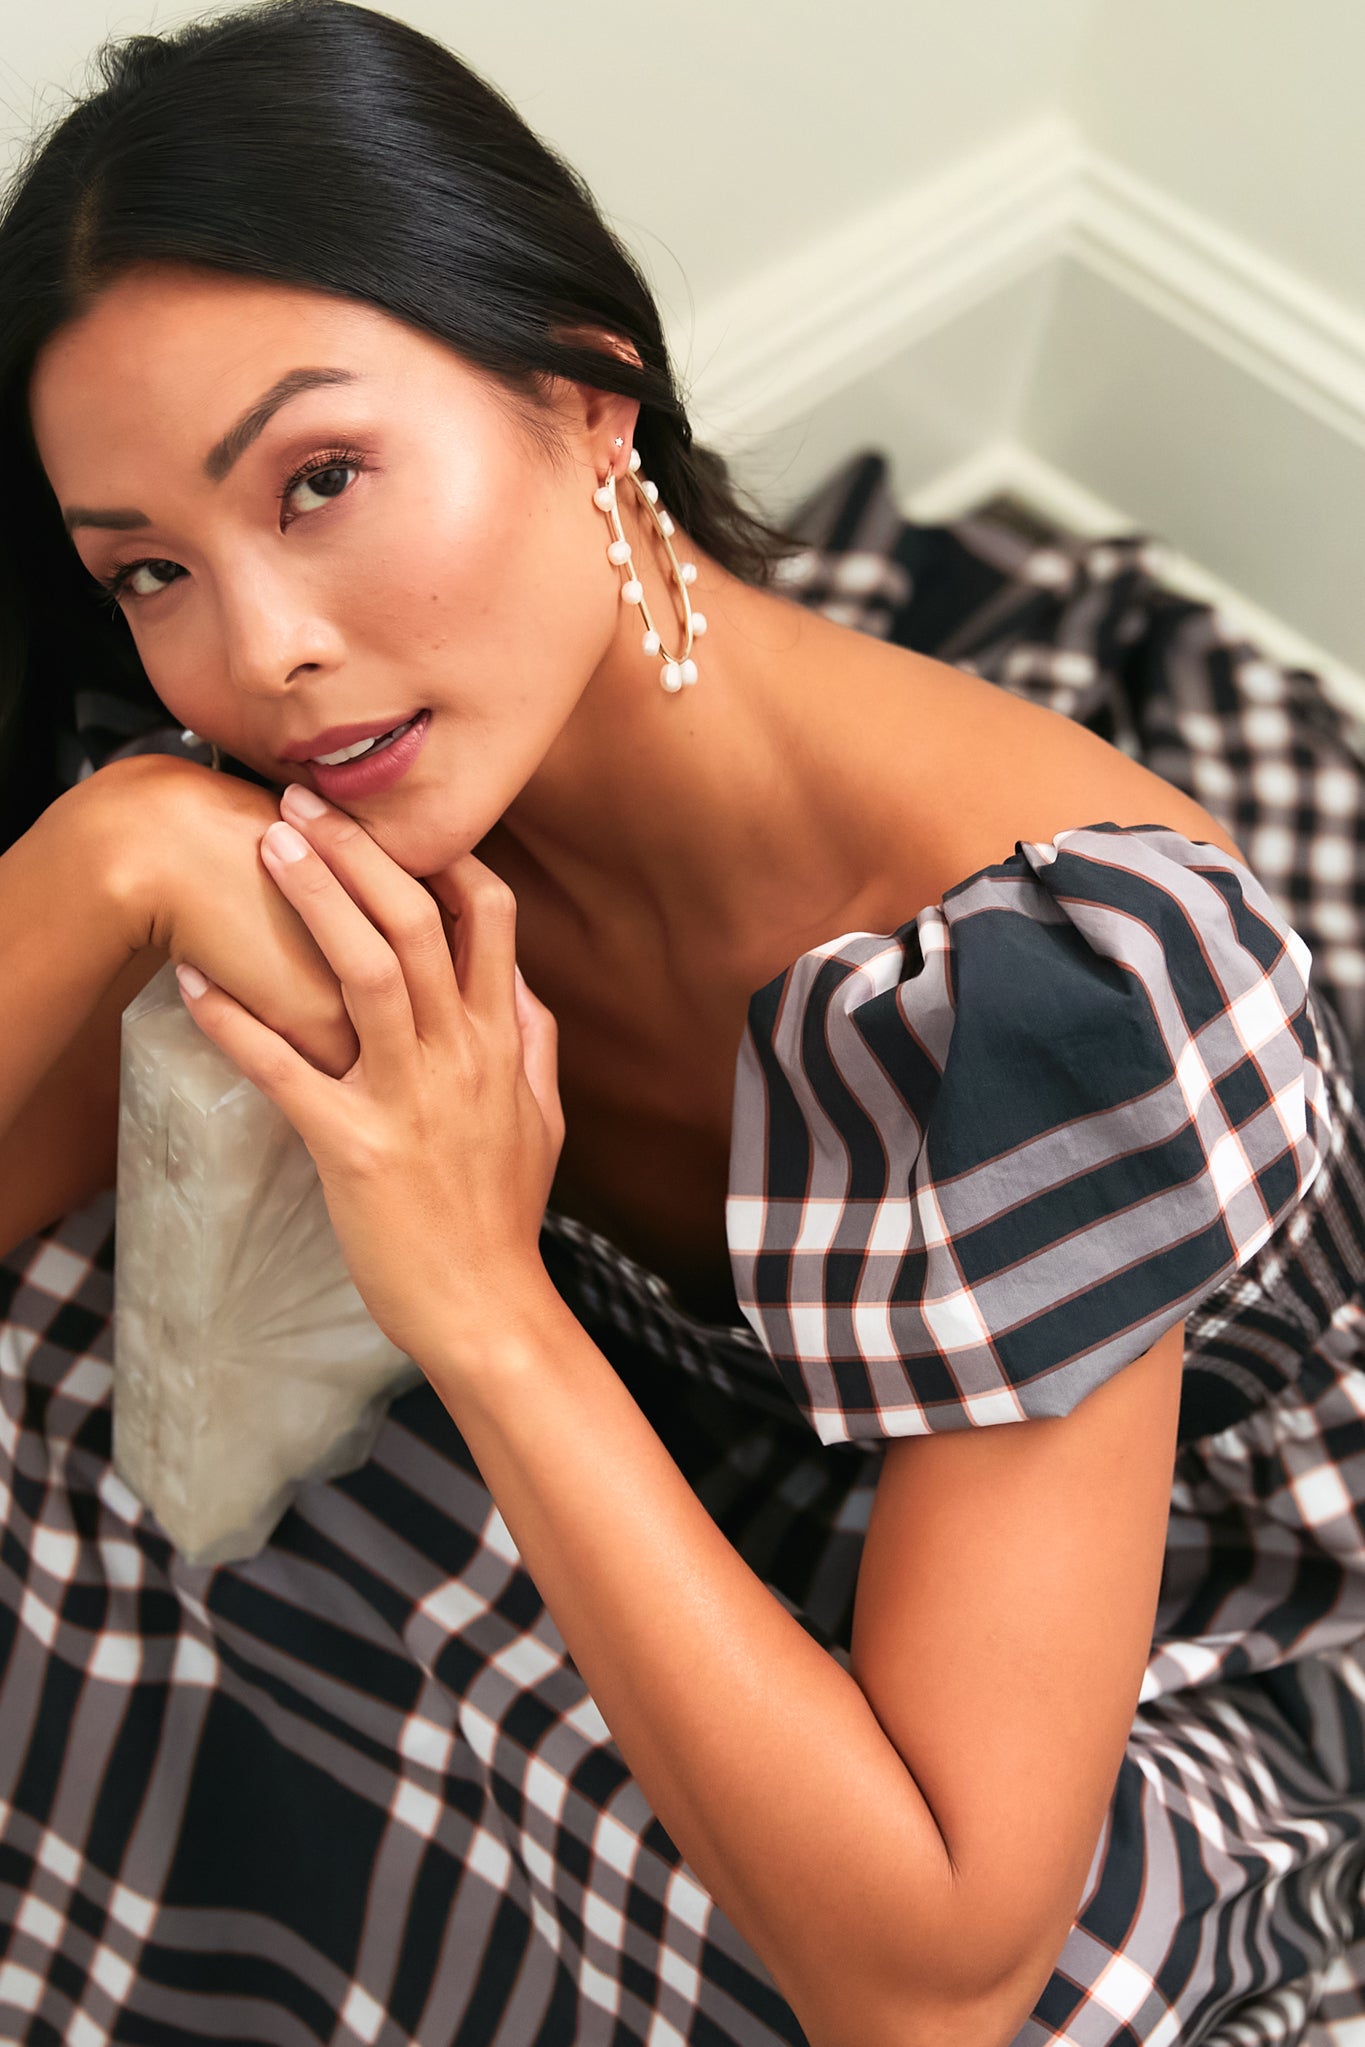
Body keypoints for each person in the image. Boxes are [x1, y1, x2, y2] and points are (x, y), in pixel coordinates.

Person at [1, 3, 1364, 2042]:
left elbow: (931, 1980)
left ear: (584, 395)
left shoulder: (1058, 987)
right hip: (731, 1438)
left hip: (1172, 1576)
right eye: (147, 570)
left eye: (322, 478)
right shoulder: (334, 780)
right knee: (85, 1311)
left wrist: (482, 1301)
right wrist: (114, 847)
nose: (261, 650)